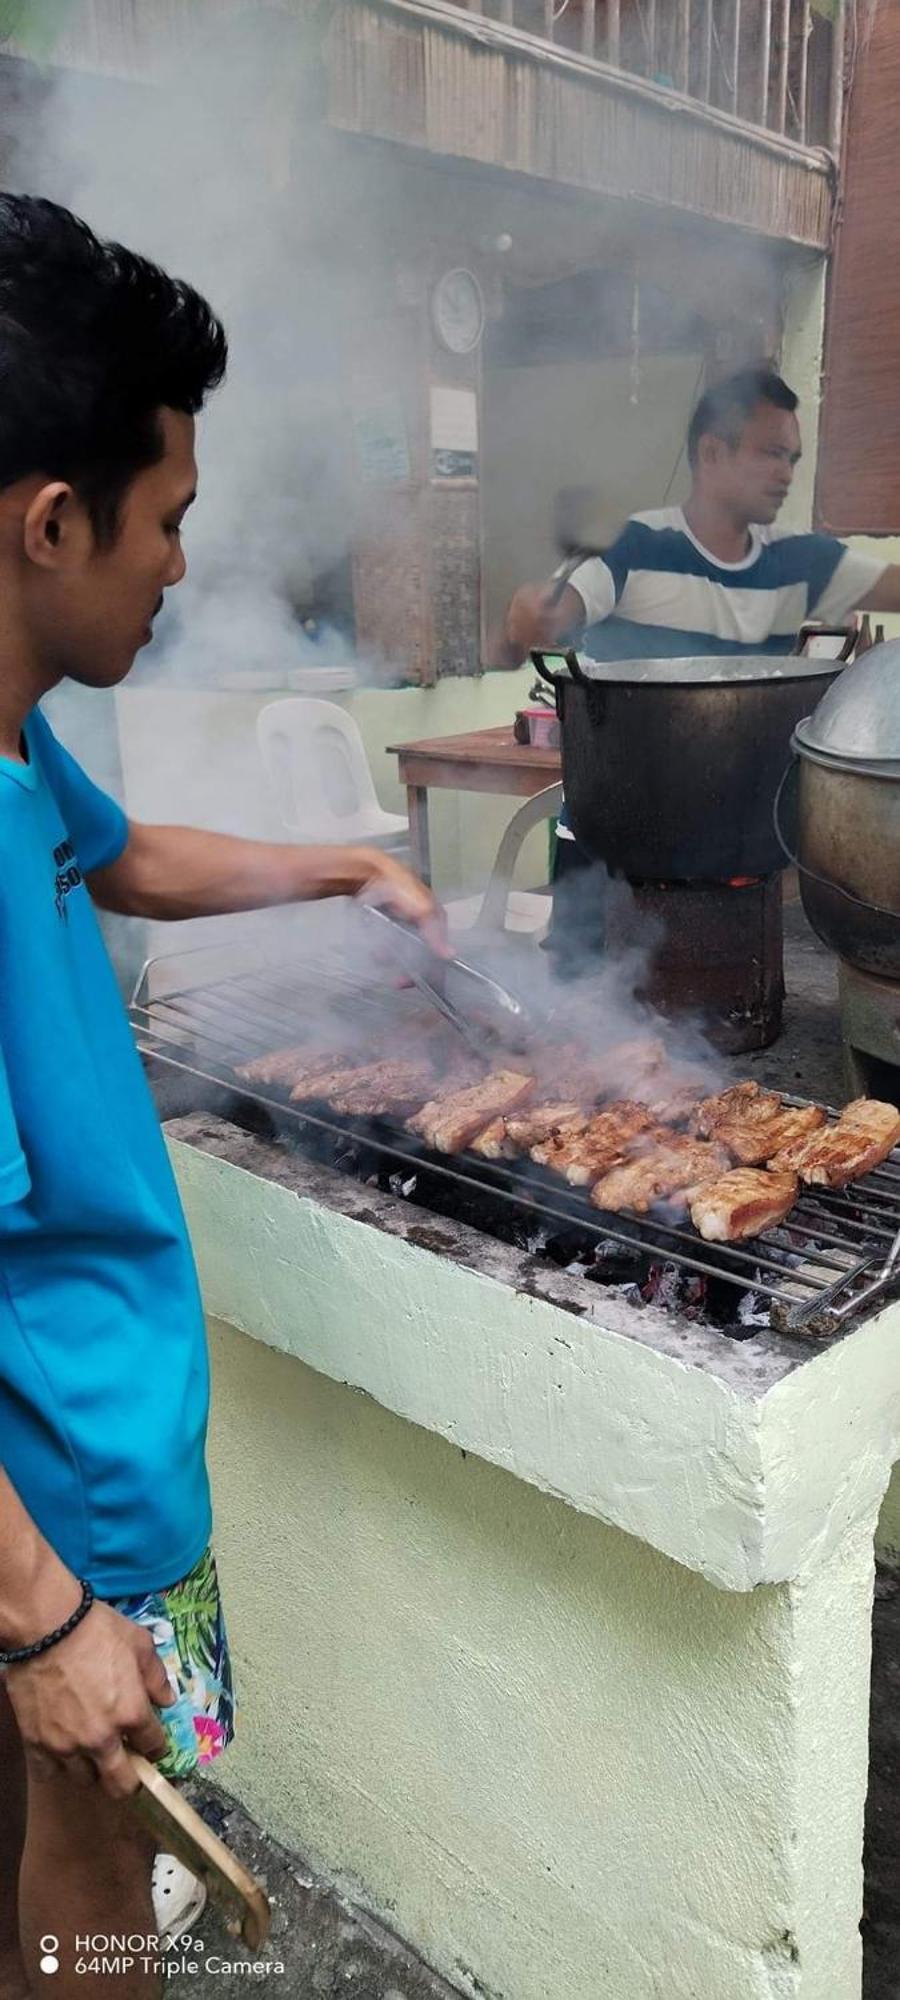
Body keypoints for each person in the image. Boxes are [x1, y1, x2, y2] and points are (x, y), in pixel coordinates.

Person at [0, 195, 444, 2000]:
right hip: (61, 1520)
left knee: (53, 1849)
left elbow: (132, 858)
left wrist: (344, 873)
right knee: (98, 1879)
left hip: (86, 1481)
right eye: (166, 521)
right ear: (49, 523)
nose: (181, 564)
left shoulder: (17, 748)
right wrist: (40, 1615)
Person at [500, 366, 900, 974]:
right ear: (712, 453)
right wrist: (535, 617)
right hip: (614, 837)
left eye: (793, 457)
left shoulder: (803, 561)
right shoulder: (635, 546)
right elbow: (560, 615)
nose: (787, 473)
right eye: (770, 453)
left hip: (737, 841)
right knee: (580, 1010)